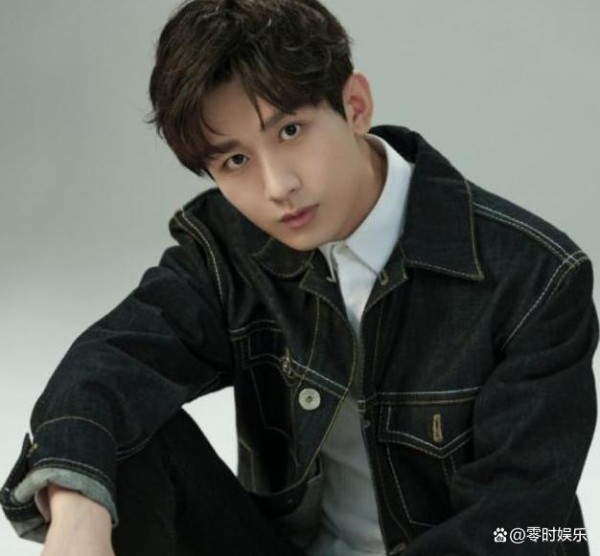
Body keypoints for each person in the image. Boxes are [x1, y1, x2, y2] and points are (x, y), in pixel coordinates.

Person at [1, 0, 598, 554]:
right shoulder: (229, 248)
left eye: (290, 131)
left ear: (355, 106)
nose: (277, 187)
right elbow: (109, 364)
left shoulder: (535, 277)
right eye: (236, 160)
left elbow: (522, 522)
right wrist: (77, 509)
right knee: (113, 444)